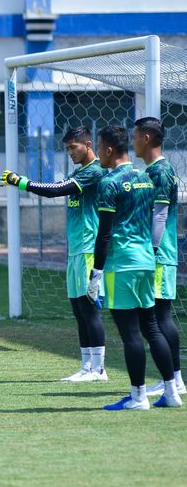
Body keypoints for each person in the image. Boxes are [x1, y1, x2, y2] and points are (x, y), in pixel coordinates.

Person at [0, 126, 108, 382]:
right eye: (67, 148)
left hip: (88, 251)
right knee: (79, 310)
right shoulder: (79, 171)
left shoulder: (94, 172)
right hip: (75, 252)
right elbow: (58, 187)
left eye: (73, 147)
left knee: (89, 310)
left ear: (88, 145)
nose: (70, 152)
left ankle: (99, 369)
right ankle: (86, 367)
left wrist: (20, 181)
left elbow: (54, 191)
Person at [86, 125, 181, 410]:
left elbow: (104, 234)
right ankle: (172, 391)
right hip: (146, 262)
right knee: (151, 328)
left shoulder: (109, 182)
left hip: (122, 265)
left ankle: (138, 397)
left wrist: (97, 273)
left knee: (130, 334)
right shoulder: (145, 178)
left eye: (100, 148)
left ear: (109, 150)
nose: (98, 154)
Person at [132, 117, 186, 397]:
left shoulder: (161, 172)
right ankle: (172, 377)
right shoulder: (152, 171)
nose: (132, 142)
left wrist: (150, 251)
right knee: (154, 317)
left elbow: (161, 215)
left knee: (160, 316)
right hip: (155, 254)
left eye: (135, 136)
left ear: (147, 139)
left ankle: (175, 378)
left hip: (159, 255)